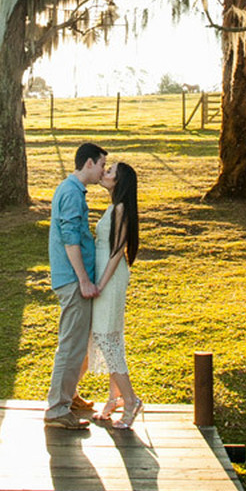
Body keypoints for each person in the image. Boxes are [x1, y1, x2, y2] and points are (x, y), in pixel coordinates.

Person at [44, 142, 107, 429]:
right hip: (72, 280)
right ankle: (57, 409)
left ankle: (70, 395)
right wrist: (83, 279)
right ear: (89, 164)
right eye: (102, 165)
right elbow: (70, 239)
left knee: (79, 342)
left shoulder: (72, 190)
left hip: (76, 279)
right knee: (71, 344)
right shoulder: (71, 193)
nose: (103, 170)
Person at [86, 160, 143, 430]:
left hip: (111, 277)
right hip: (106, 276)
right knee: (111, 337)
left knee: (106, 337)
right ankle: (114, 397)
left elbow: (117, 251)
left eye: (110, 172)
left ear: (119, 182)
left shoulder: (121, 208)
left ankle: (131, 400)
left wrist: (100, 284)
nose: (105, 173)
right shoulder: (113, 207)